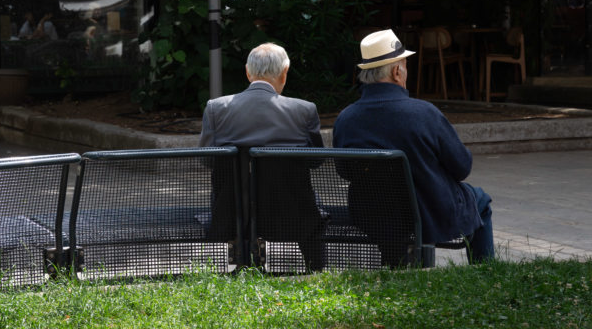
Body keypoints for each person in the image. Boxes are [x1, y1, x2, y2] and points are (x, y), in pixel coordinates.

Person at [333, 28, 494, 264]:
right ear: (397, 71)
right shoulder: (424, 113)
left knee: (393, 209)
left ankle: (397, 265)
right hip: (430, 211)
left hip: (373, 216)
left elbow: (344, 171)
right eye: (405, 66)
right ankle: (486, 270)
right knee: (481, 200)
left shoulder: (346, 118)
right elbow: (462, 167)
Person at [200, 42, 326, 270]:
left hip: (234, 212)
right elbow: (316, 160)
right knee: (311, 203)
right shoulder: (304, 110)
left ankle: (239, 265)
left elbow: (208, 160)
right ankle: (315, 270)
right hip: (292, 213)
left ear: (248, 72)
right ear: (284, 72)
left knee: (230, 192)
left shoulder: (216, 108)